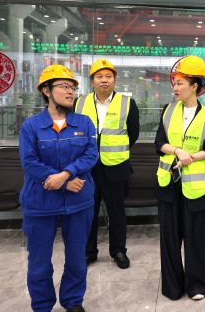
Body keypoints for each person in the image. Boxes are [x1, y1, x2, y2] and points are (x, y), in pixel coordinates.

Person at [19, 65, 98, 312]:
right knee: (39, 263)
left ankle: (73, 301)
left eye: (73, 87)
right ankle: (42, 306)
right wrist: (63, 181)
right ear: (46, 91)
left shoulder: (84, 123)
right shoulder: (31, 126)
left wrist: (65, 174)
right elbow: (30, 163)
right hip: (41, 203)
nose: (71, 91)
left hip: (78, 201)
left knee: (76, 259)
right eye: (64, 86)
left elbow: (91, 155)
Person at [154, 55, 205, 301]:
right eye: (174, 82)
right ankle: (172, 286)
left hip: (198, 187)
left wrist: (191, 157)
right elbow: (159, 143)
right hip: (169, 183)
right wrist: (177, 151)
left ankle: (198, 285)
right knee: (169, 239)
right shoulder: (167, 111)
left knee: (196, 239)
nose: (175, 87)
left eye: (180, 83)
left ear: (195, 86)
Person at [75, 59, 140, 269]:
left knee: (117, 212)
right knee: (88, 212)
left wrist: (113, 148)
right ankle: (88, 252)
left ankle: (118, 251)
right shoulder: (79, 103)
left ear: (115, 80)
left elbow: (133, 134)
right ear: (92, 80)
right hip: (87, 168)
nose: (104, 80)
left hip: (116, 166)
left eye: (108, 76)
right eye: (99, 76)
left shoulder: (127, 103)